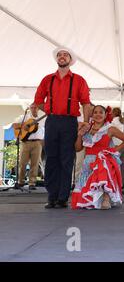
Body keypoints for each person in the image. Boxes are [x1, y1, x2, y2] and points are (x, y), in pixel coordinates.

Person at [34, 47, 92, 209]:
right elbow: (38, 100)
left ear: (70, 59)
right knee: (51, 158)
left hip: (69, 122)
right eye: (59, 55)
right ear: (56, 59)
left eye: (65, 55)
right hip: (52, 121)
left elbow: (85, 102)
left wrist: (86, 121)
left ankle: (62, 198)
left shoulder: (79, 80)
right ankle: (52, 196)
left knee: (66, 159)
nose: (62, 57)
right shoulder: (47, 79)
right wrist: (51, 111)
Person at [72, 105, 124, 209]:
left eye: (101, 112)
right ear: (92, 115)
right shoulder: (86, 129)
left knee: (103, 167)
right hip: (88, 163)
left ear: (105, 115)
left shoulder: (110, 129)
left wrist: (113, 151)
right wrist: (79, 135)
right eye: (95, 112)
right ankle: (94, 199)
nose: (98, 114)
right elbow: (78, 148)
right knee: (83, 201)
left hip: (103, 161)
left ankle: (106, 197)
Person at [12, 103, 45, 190]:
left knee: (35, 164)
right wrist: (24, 126)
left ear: (38, 109)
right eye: (32, 107)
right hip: (25, 142)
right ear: (29, 108)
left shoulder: (42, 118)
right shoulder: (24, 117)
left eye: (35, 108)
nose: (34, 109)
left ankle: (32, 183)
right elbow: (14, 125)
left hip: (38, 143)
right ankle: (20, 182)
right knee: (22, 163)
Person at [111, 107, 124, 190]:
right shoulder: (123, 122)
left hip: (118, 145)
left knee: (116, 164)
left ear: (113, 113)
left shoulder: (113, 122)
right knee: (123, 165)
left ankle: (118, 183)